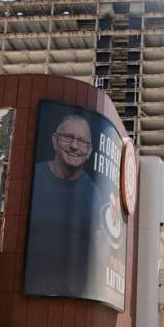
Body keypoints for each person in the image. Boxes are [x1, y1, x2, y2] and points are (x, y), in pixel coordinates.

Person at [25, 114, 110, 296]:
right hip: (30, 290)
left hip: (73, 294)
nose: (74, 146)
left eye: (82, 141)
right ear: (55, 140)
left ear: (89, 150)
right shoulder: (32, 177)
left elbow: (100, 246)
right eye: (68, 137)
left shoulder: (93, 193)